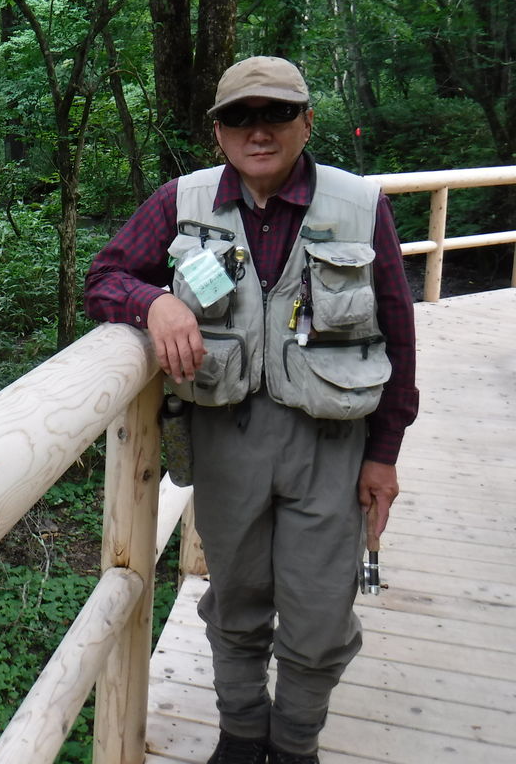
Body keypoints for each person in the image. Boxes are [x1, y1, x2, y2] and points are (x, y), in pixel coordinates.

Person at [83, 56, 418, 764]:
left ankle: (295, 744)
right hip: (225, 438)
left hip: (332, 444)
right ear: (218, 131)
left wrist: (385, 455)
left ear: (307, 122)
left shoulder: (360, 205)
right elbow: (104, 277)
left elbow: (398, 332)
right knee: (235, 602)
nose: (257, 131)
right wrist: (155, 303)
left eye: (276, 114)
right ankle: (239, 735)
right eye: (239, 116)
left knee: (320, 615)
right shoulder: (182, 200)